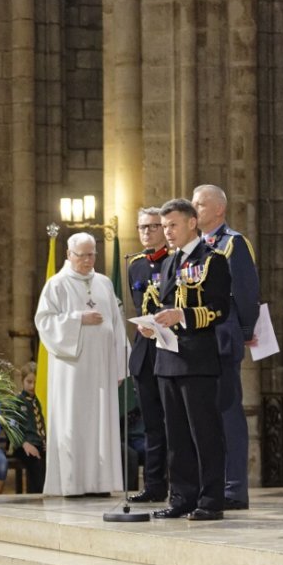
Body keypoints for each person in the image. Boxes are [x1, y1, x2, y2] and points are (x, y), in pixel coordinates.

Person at [139, 198, 231, 520]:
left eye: (173, 225)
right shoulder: (167, 263)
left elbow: (220, 308)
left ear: (192, 223)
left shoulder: (212, 260)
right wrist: (152, 325)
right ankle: (182, 496)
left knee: (204, 432)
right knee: (175, 434)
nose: (168, 232)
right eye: (164, 226)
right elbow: (161, 304)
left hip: (197, 358)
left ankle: (210, 500)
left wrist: (184, 315)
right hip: (167, 357)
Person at [33, 232, 127, 497]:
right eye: (82, 255)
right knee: (73, 422)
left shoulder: (105, 283)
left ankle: (100, 483)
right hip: (71, 370)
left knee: (101, 421)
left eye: (92, 254)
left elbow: (117, 324)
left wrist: (120, 365)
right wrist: (77, 319)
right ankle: (72, 484)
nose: (88, 260)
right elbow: (44, 322)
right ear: (69, 255)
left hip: (101, 368)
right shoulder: (57, 284)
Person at [192, 184, 261, 510]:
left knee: (228, 414)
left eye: (201, 205)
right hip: (198, 342)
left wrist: (246, 331)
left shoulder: (232, 244)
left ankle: (235, 489)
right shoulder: (195, 247)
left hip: (222, 338)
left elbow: (247, 292)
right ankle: (212, 485)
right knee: (204, 416)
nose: (196, 210)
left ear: (219, 209)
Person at [125, 208, 171, 503]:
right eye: (142, 227)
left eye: (153, 226)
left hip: (170, 348)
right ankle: (154, 486)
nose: (146, 232)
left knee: (175, 424)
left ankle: (180, 484)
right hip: (145, 353)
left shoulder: (175, 261)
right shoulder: (135, 265)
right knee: (152, 425)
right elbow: (138, 303)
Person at [15, 363, 46, 494]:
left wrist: (45, 440)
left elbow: (42, 423)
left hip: (38, 444)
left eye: (35, 382)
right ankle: (36, 498)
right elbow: (12, 428)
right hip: (23, 445)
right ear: (22, 381)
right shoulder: (17, 401)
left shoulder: (38, 401)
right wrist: (25, 443)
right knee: (36, 465)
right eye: (29, 382)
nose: (32, 386)